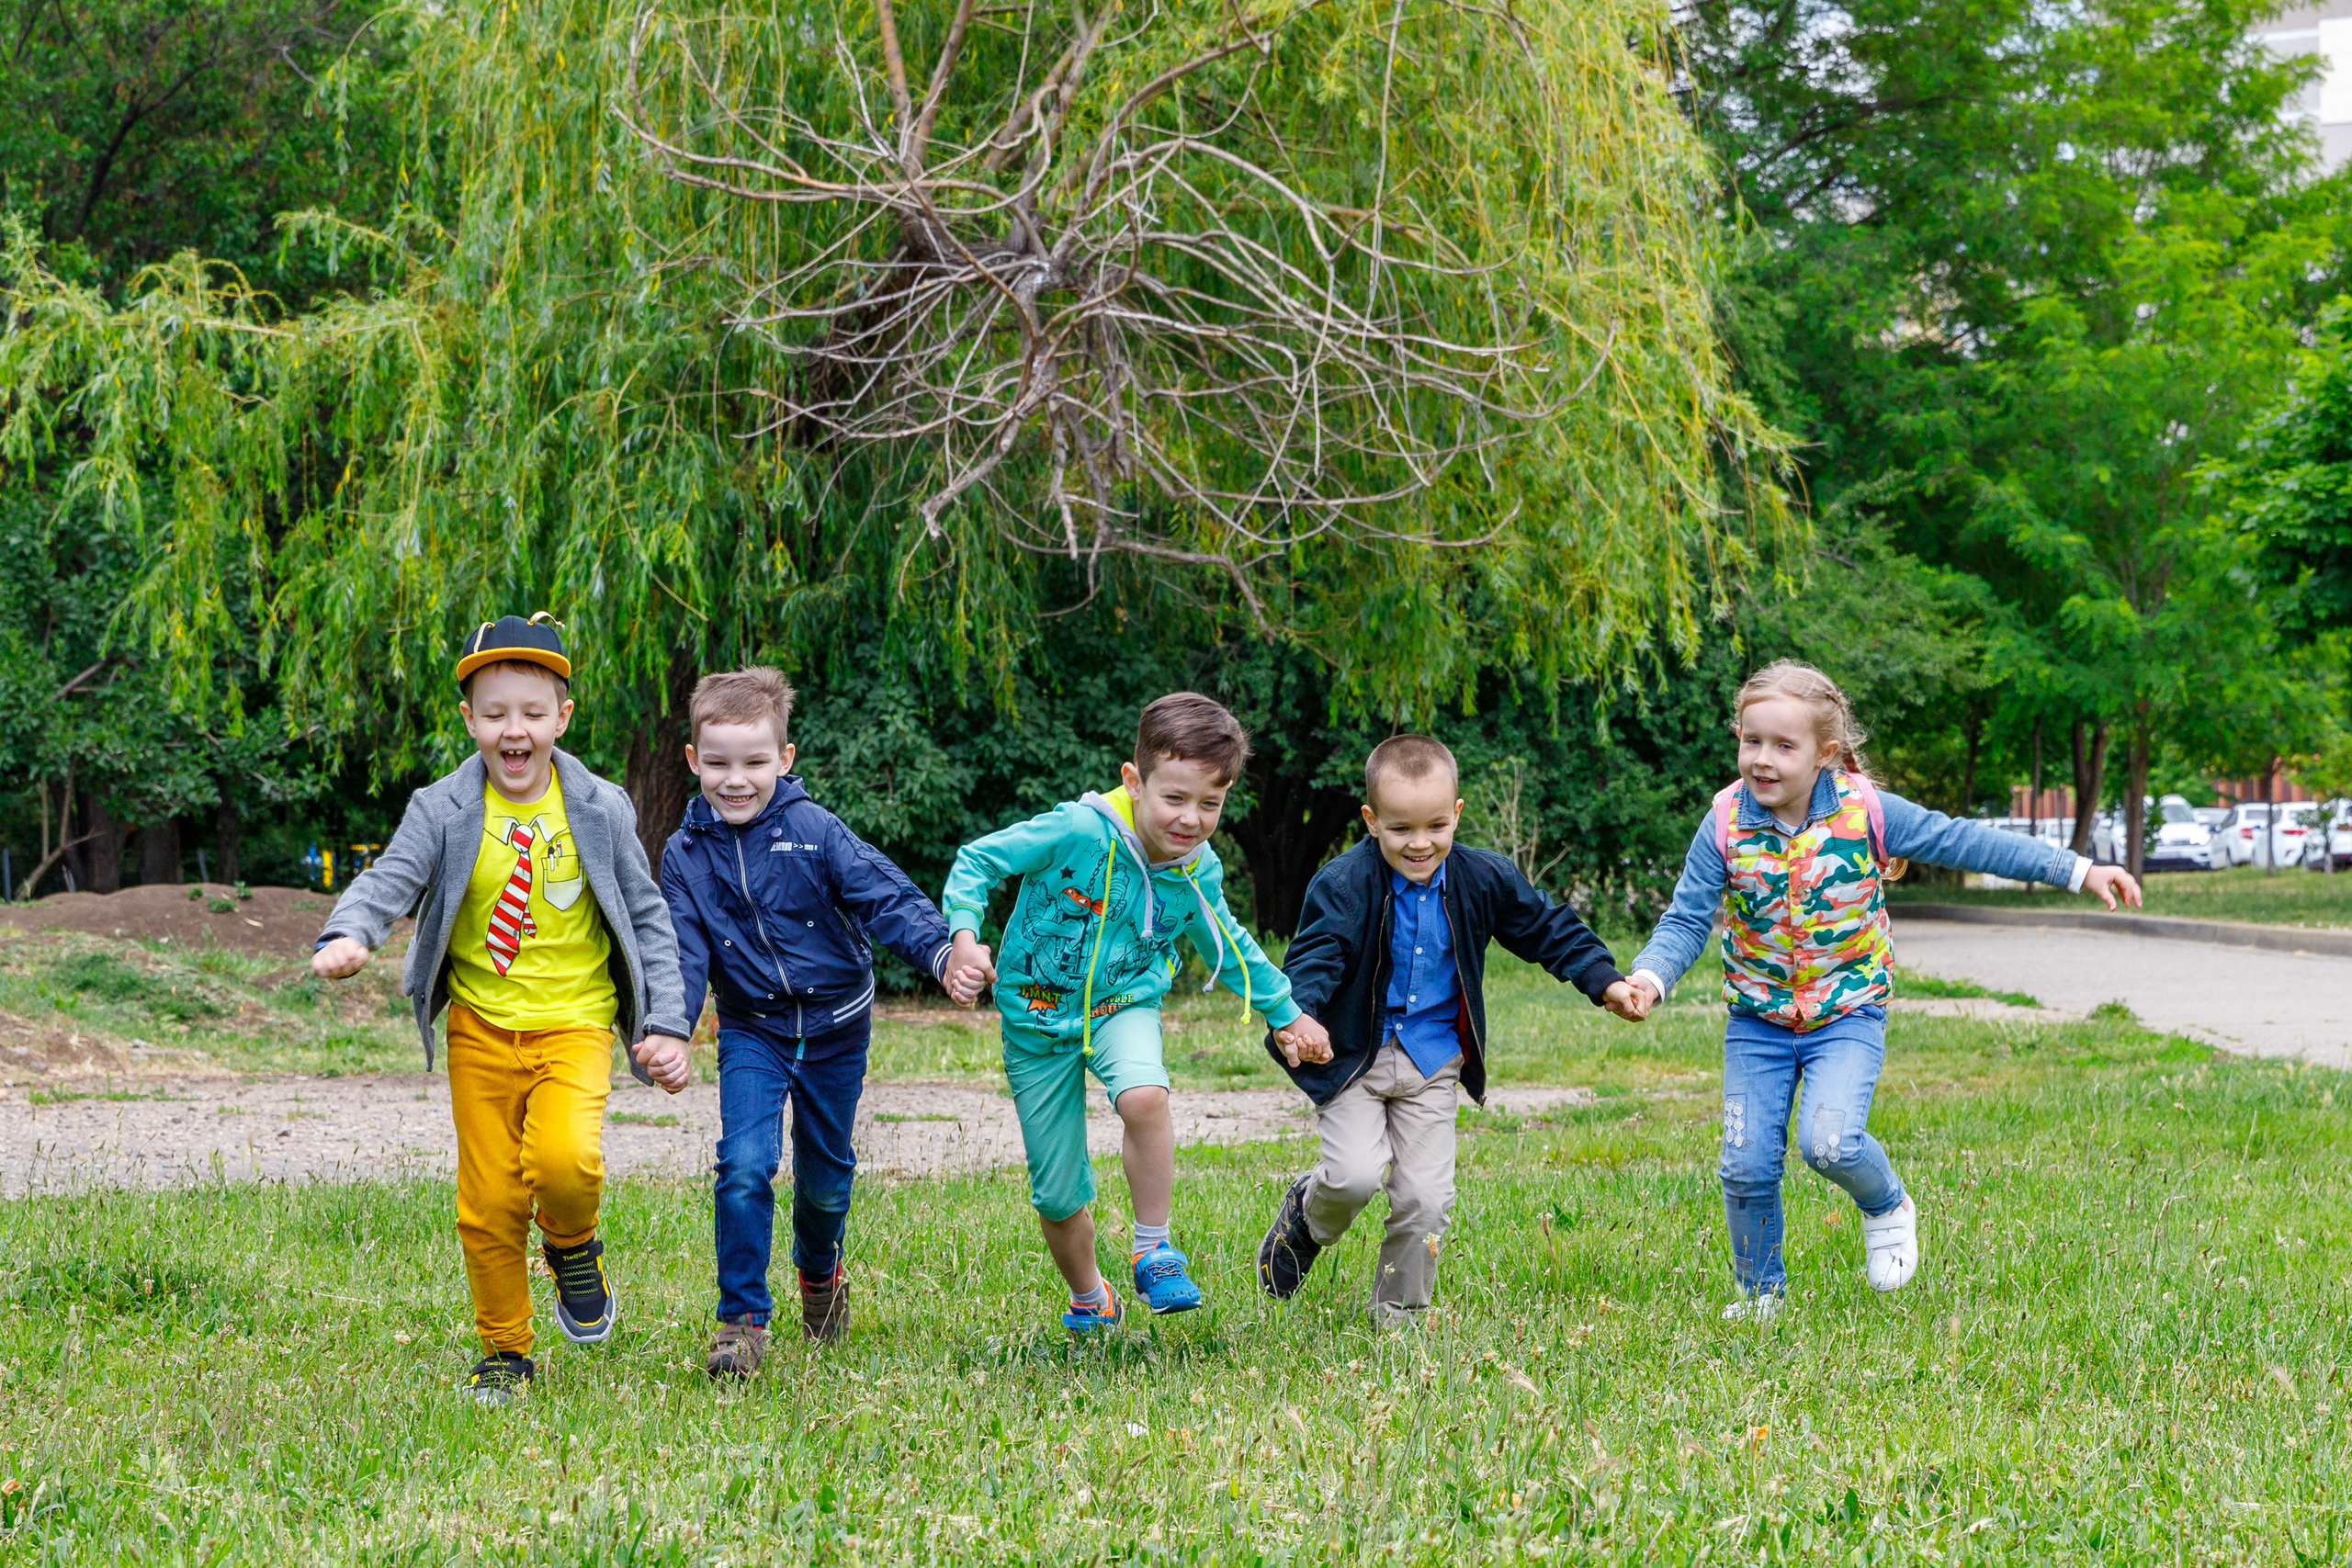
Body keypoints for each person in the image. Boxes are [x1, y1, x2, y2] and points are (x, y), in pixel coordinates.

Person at [1614, 660, 2141, 1319]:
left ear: (1825, 753)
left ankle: (1887, 1203)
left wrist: (2078, 868)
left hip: (1847, 1013)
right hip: (1759, 1020)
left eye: (1784, 745)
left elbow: (1965, 841)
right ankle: (1759, 1293)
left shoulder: (1867, 810)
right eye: (1752, 741)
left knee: (1829, 1143)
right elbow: (1688, 917)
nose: (1763, 759)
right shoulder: (1724, 820)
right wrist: (1649, 976)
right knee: (1745, 1162)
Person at [311, 614, 693, 1403]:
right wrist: (352, 929)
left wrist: (665, 1021)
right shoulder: (441, 806)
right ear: (469, 721)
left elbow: (649, 917)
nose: (512, 730)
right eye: (494, 713)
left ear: (562, 717)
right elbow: (390, 879)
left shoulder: (600, 805)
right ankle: (505, 1352)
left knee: (563, 1163)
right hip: (479, 1031)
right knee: (487, 1202)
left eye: (530, 712)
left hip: (576, 1022)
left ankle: (573, 1242)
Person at [939, 693, 1329, 1328]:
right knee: (1059, 1195)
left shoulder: (1195, 869)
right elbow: (978, 860)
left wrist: (1285, 1012)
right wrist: (963, 937)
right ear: (1134, 779)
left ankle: (1154, 1248)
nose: (1191, 819)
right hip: (1037, 1016)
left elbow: (1229, 945)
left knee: (1146, 1095)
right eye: (1174, 798)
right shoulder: (1076, 830)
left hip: (1125, 1002)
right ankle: (1092, 1296)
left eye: (1210, 803)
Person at [1252, 734, 1635, 1324]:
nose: (1420, 843)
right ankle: (1306, 1216)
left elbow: (1544, 928)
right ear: (1371, 820)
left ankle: (1398, 1316)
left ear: (1456, 814)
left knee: (1425, 1199)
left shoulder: (1483, 877)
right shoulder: (1344, 883)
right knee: (1353, 1178)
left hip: (1434, 1062)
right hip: (1354, 1057)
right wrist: (1295, 1017)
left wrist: (1604, 980)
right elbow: (1316, 956)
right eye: (1401, 829)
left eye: (1435, 825)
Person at [660, 667, 962, 1376]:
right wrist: (671, 1027)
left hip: (835, 1026)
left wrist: (942, 951)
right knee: (743, 1164)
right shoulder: (685, 854)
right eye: (721, 763)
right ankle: (740, 1321)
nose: (738, 779)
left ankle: (820, 1278)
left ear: (784, 760)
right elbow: (681, 952)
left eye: (755, 762)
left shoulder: (813, 829)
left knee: (825, 1181)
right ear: (694, 759)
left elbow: (885, 896)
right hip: (752, 1029)